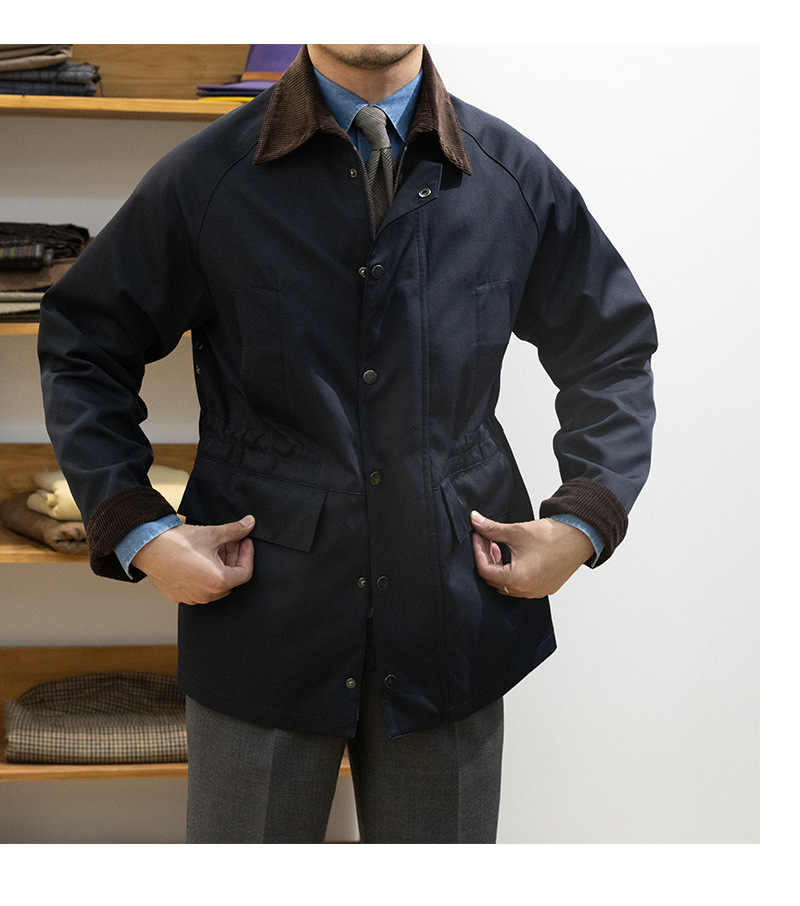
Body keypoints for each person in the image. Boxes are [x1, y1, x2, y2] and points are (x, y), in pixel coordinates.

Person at [38, 44, 657, 843]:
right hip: (263, 615)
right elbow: (84, 344)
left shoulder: (510, 177)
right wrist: (138, 528)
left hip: (453, 615)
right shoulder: (210, 177)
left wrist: (585, 517)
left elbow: (609, 346)